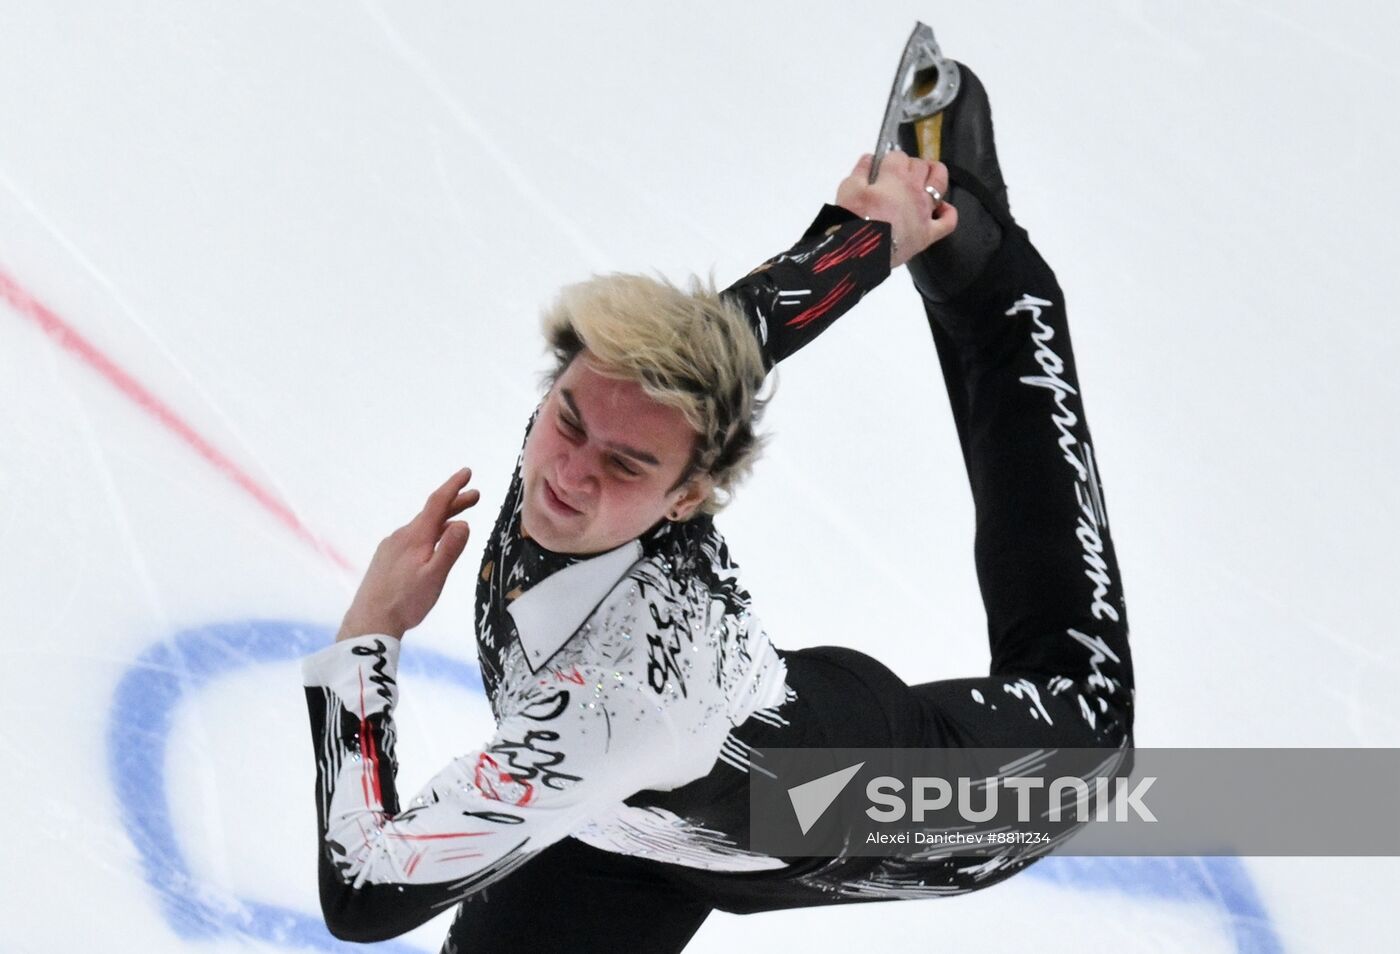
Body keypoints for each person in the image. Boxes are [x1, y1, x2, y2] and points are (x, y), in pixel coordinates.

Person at [302, 57, 1133, 953]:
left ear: (689, 495)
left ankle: (991, 281)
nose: (569, 476)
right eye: (567, 422)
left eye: (625, 467)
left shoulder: (613, 699)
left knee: (1090, 746)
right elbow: (739, 333)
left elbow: (365, 889)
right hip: (606, 827)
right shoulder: (610, 401)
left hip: (824, 796)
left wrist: (369, 637)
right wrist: (865, 238)